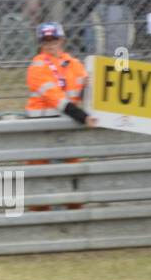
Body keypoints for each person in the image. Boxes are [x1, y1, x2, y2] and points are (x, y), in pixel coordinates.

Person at [25, 21, 97, 211]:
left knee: (74, 174)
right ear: (40, 43)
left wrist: (92, 85)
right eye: (45, 40)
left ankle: (75, 216)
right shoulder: (37, 67)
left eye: (54, 39)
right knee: (38, 177)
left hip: (68, 126)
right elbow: (56, 99)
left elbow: (84, 93)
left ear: (62, 40)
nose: (50, 43)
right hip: (41, 129)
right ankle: (40, 221)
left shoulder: (74, 64)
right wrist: (83, 117)